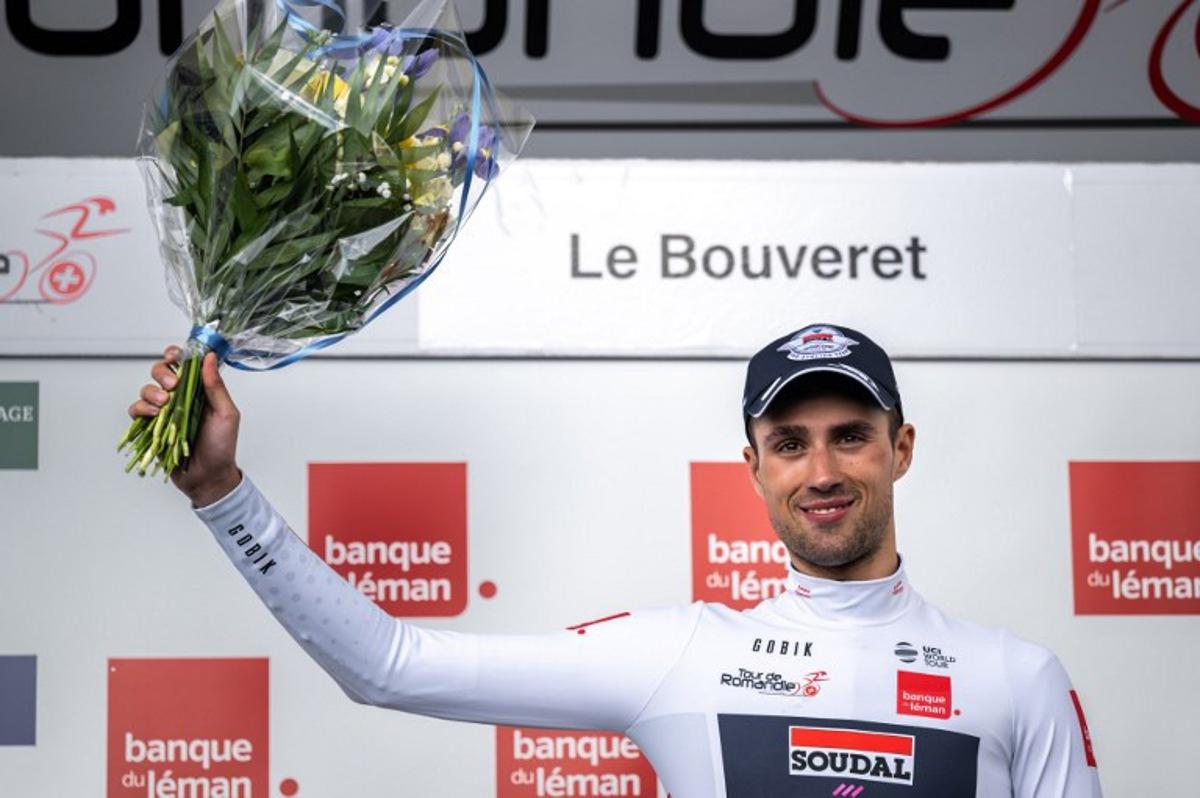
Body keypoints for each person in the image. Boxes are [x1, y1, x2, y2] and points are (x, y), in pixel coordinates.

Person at [130, 323, 1102, 797]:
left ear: (902, 449)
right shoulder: (683, 654)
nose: (823, 470)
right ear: (753, 468)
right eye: (791, 442)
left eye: (851, 435)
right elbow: (390, 666)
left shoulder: (1015, 679)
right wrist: (222, 496)